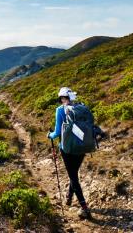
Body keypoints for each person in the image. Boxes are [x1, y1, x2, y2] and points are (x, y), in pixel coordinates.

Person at [47, 86, 91, 219]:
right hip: (82, 146)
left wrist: (50, 135)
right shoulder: (81, 107)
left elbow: (57, 132)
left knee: (73, 177)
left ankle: (84, 207)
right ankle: (69, 197)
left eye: (61, 98)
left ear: (62, 98)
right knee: (74, 174)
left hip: (67, 149)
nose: (61, 101)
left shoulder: (60, 110)